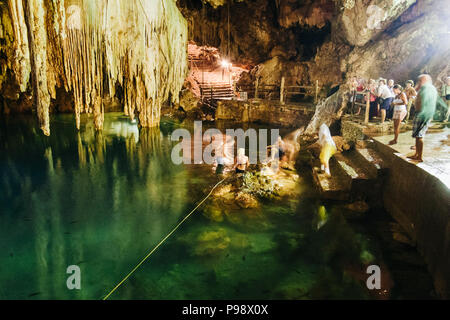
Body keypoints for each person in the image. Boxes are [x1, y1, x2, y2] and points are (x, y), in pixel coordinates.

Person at [408, 74, 438, 162]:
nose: (419, 82)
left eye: (420, 81)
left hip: (423, 114)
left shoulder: (429, 88)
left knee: (419, 135)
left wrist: (426, 114)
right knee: (417, 135)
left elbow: (428, 102)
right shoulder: (425, 88)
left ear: (425, 80)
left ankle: (419, 157)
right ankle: (416, 154)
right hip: (420, 113)